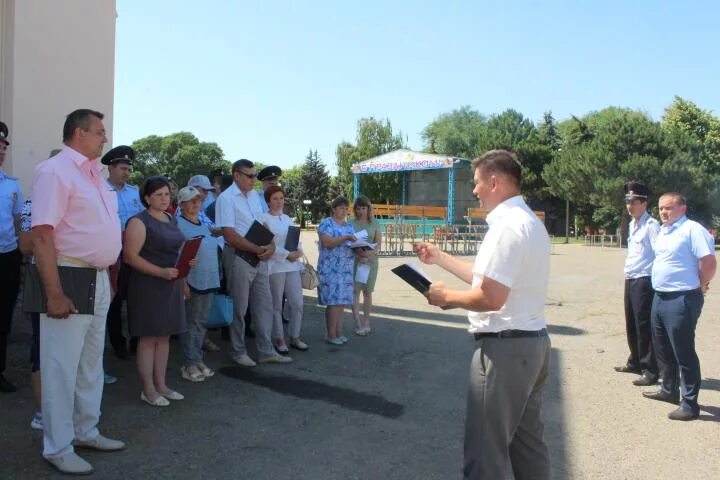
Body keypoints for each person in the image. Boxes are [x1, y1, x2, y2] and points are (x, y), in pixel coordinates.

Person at [415, 149, 551, 479]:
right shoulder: (528, 222)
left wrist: (447, 297)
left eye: (477, 183)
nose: (474, 191)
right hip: (531, 347)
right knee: (528, 446)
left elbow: (491, 297)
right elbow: (489, 278)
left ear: (494, 182)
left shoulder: (506, 227)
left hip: (504, 351)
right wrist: (440, 258)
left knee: (484, 455)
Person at [31, 109, 125, 475]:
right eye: (100, 132)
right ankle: (57, 446)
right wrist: (54, 292)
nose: (105, 138)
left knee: (90, 364)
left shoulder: (95, 177)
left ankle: (86, 429)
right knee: (60, 366)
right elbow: (41, 234)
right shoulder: (54, 171)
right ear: (79, 132)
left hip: (97, 277)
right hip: (68, 274)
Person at [642, 192, 716, 421]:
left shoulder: (692, 230)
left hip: (682, 298)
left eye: (669, 208)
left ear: (682, 208)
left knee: (683, 351)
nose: (664, 212)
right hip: (660, 297)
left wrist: (701, 285)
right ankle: (669, 390)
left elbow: (709, 261)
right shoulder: (664, 232)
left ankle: (690, 403)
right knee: (662, 347)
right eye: (661, 208)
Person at [216, 159, 292, 365]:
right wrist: (259, 249)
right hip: (239, 256)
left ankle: (266, 350)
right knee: (239, 308)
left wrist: (272, 247)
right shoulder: (226, 199)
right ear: (236, 175)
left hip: (259, 257)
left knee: (264, 305)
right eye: (249, 176)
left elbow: (263, 224)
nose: (253, 180)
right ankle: (238, 350)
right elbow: (229, 235)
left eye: (253, 175)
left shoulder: (254, 197)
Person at [124, 176, 187, 407]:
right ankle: (148, 390)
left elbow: (178, 250)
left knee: (165, 336)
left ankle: (161, 385)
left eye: (167, 194)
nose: (164, 198)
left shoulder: (171, 218)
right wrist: (160, 272)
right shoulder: (138, 222)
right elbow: (130, 257)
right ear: (147, 197)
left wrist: (186, 269)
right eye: (158, 194)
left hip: (171, 284)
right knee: (149, 338)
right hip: (148, 285)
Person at [614, 181, 660, 386]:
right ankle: (635, 361)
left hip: (645, 280)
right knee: (631, 322)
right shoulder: (633, 224)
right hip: (631, 277)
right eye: (627, 202)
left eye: (633, 201)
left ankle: (650, 370)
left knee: (644, 325)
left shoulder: (652, 226)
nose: (629, 206)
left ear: (644, 203)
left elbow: (660, 254)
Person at [103, 145, 144, 360]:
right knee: (115, 301)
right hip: (112, 254)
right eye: (122, 168)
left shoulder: (135, 192)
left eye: (129, 169)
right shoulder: (100, 190)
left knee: (137, 298)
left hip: (134, 253)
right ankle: (118, 343)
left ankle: (137, 341)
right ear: (110, 167)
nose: (127, 173)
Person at [176, 186, 220, 381]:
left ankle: (197, 358)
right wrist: (182, 281)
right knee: (190, 322)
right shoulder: (176, 223)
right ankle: (189, 362)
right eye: (191, 200)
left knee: (202, 321)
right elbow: (175, 255)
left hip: (209, 278)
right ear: (181, 203)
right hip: (192, 280)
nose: (196, 204)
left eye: (199, 200)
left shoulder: (203, 223)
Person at [262, 185, 308, 352]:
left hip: (293, 266)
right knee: (276, 305)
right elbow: (268, 245)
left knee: (297, 303)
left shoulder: (287, 218)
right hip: (275, 267)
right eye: (275, 198)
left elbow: (296, 239)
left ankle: (295, 336)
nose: (279, 202)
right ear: (268, 201)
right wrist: (286, 255)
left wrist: (299, 251)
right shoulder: (263, 219)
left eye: (281, 198)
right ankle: (279, 339)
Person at [0, 120, 23, 393]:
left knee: (3, 316)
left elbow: (21, 221)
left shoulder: (13, 186)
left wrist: (24, 251)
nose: (2, 151)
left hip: (6, 257)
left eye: (4, 147)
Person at [317, 196, 357, 345]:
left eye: (346, 209)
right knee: (333, 302)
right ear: (334, 209)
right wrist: (346, 237)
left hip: (345, 270)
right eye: (341, 208)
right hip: (330, 269)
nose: (344, 211)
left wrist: (364, 249)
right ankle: (331, 334)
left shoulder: (349, 226)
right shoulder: (326, 223)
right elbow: (327, 243)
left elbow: (353, 246)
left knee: (341, 302)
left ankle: (338, 333)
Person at [350, 195, 382, 336]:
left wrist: (369, 255)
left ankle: (366, 322)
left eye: (363, 208)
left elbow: (379, 243)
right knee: (355, 292)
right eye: (358, 208)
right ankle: (357, 322)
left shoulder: (375, 223)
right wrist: (359, 255)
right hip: (356, 261)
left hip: (370, 262)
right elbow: (349, 244)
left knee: (367, 292)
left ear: (368, 208)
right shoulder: (351, 223)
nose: (361, 211)